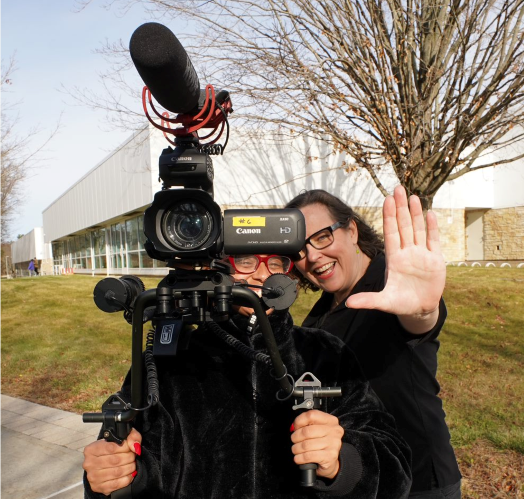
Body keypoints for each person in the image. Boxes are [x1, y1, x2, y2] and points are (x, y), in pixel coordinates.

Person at [83, 253, 412, 498]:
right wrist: (116, 475)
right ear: (220, 267)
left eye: (276, 262)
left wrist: (344, 462)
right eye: (245, 260)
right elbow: (127, 459)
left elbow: (395, 466)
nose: (262, 274)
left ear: (290, 274)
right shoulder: (169, 358)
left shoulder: (325, 354)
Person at [285, 186, 461, 498]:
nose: (312, 256)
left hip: (417, 480)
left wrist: (424, 310)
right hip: (359, 478)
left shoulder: (391, 284)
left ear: (351, 230)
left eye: (322, 236)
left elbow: (421, 323)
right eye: (299, 249)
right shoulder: (318, 316)